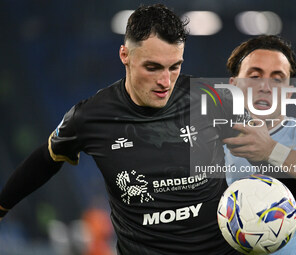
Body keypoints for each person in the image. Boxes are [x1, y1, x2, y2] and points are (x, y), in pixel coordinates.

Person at [0, 4, 248, 255]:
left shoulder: (211, 98)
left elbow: (266, 150)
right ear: (125, 56)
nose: (165, 81)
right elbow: (45, 159)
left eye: (174, 66)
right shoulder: (91, 116)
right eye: (152, 67)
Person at [223, 35, 296, 254]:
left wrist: (273, 151)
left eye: (277, 79)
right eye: (255, 76)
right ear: (233, 85)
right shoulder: (213, 145)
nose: (265, 86)